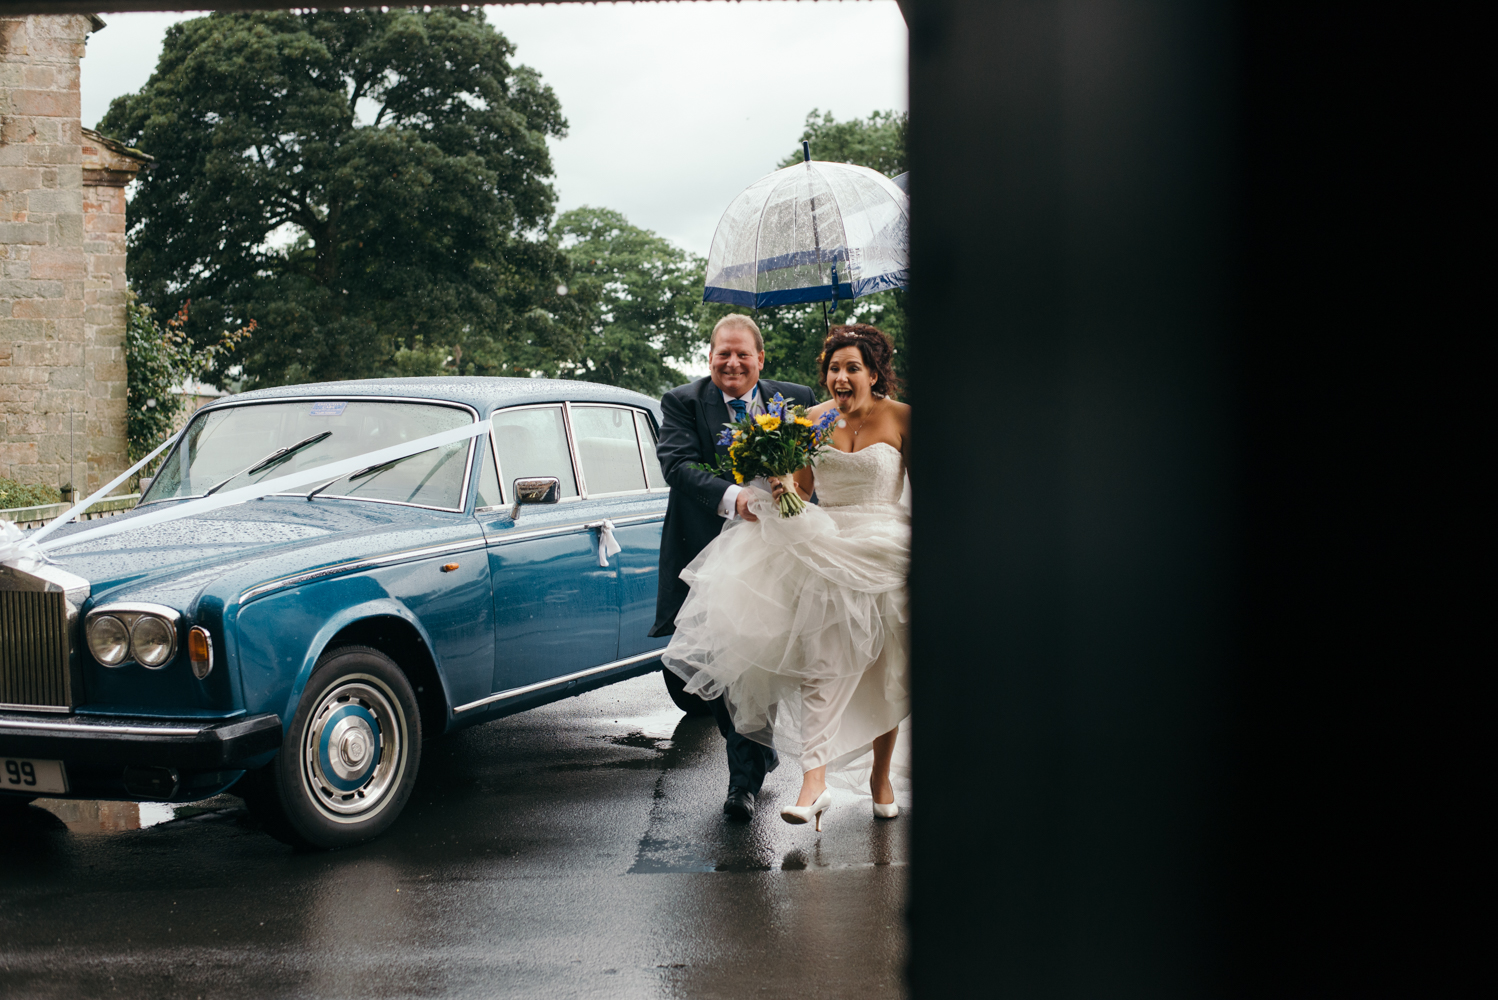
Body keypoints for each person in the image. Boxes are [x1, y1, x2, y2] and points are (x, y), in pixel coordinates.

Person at [663, 324, 911, 831]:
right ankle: (812, 783)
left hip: (888, 550)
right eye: (833, 368)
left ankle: (880, 780)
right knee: (822, 665)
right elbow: (799, 491)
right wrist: (778, 483)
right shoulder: (809, 421)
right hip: (828, 548)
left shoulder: (903, 417)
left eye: (851, 368)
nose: (840, 377)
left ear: (873, 372)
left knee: (889, 671)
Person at [651, 314, 819, 821]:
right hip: (708, 557)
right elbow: (678, 466)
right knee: (718, 672)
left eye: (743, 353)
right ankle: (754, 750)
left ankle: (740, 787)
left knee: (764, 660)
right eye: (723, 353)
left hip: (781, 557)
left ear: (760, 359)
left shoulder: (797, 399)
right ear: (710, 357)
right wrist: (734, 496)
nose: (733, 362)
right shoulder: (682, 402)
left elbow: (821, 467)